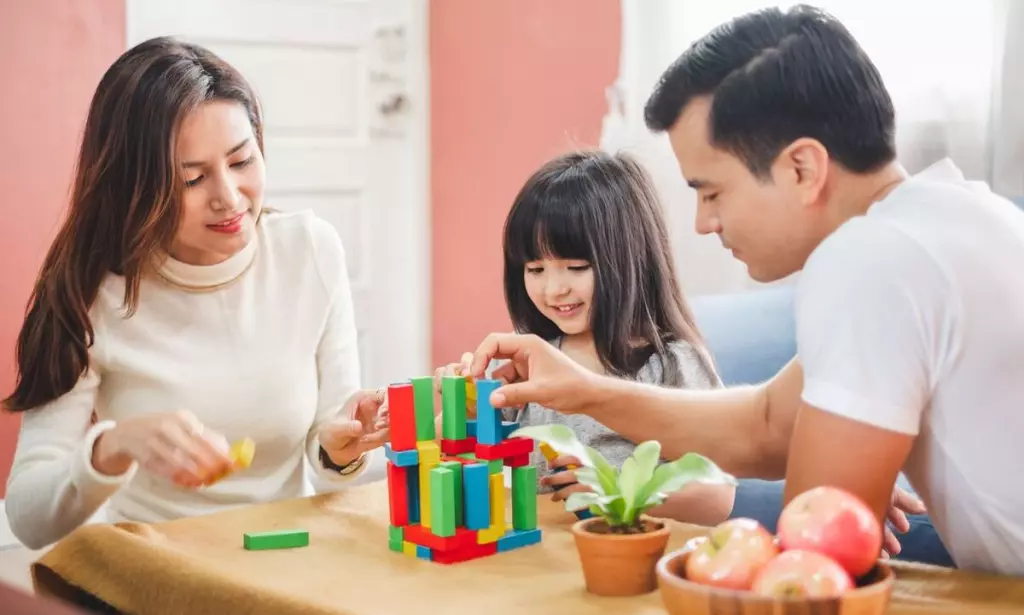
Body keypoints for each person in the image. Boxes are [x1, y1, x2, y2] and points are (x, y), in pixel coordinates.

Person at [466, 5, 1024, 576]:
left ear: (802, 168)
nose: (705, 223)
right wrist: (581, 390)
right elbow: (767, 425)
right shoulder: (962, 215)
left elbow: (815, 559)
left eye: (712, 192)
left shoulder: (870, 260)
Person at [3, 37, 389, 550]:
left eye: (242, 161)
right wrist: (113, 447)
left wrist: (342, 449)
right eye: (192, 179)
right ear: (136, 187)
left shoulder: (309, 251)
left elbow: (331, 453)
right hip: (159, 563)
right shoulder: (92, 293)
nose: (228, 198)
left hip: (290, 554)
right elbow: (29, 518)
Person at [435, 150, 735, 525]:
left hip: (624, 561)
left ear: (631, 259)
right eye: (535, 269)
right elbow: (448, 452)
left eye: (576, 267)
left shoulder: (671, 363)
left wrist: (613, 494)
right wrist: (460, 406)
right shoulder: (527, 358)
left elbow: (716, 497)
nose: (554, 288)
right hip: (532, 559)